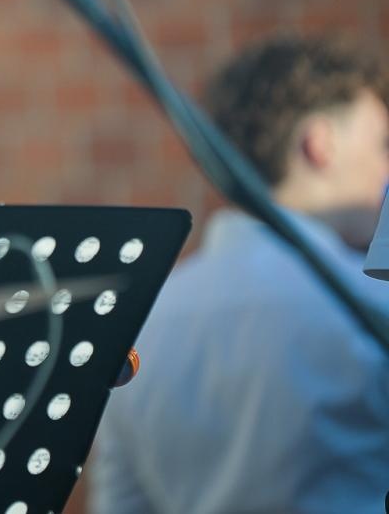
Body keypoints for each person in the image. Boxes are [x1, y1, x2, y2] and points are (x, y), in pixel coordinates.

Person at [90, 34, 389, 514]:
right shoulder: (370, 304)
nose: (386, 172)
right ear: (319, 144)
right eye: (383, 144)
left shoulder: (140, 325)